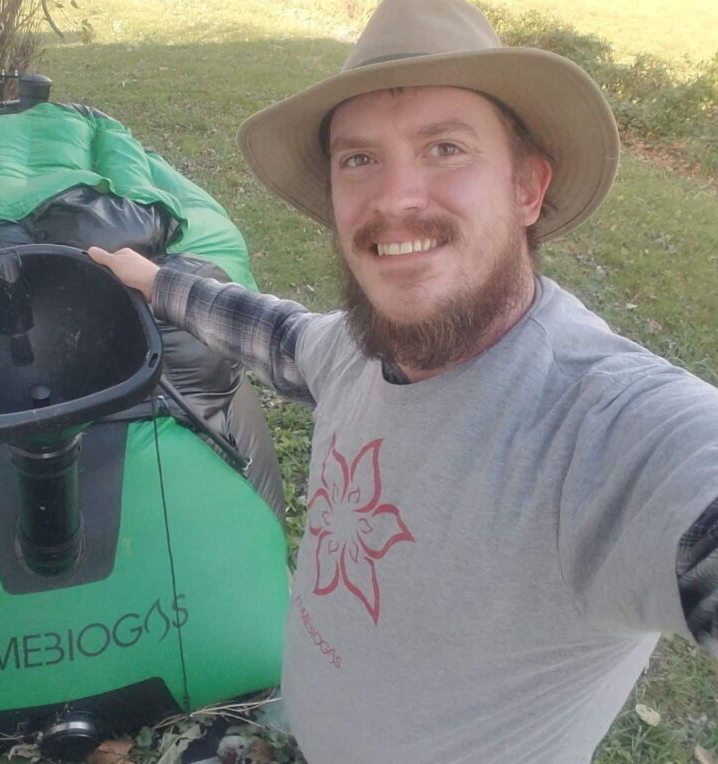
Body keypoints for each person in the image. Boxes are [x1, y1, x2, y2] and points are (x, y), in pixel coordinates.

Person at [89, 0, 718, 761]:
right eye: (359, 159)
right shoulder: (356, 350)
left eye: (445, 148)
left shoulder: (602, 429)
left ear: (528, 189)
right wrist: (154, 282)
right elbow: (277, 335)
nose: (394, 200)